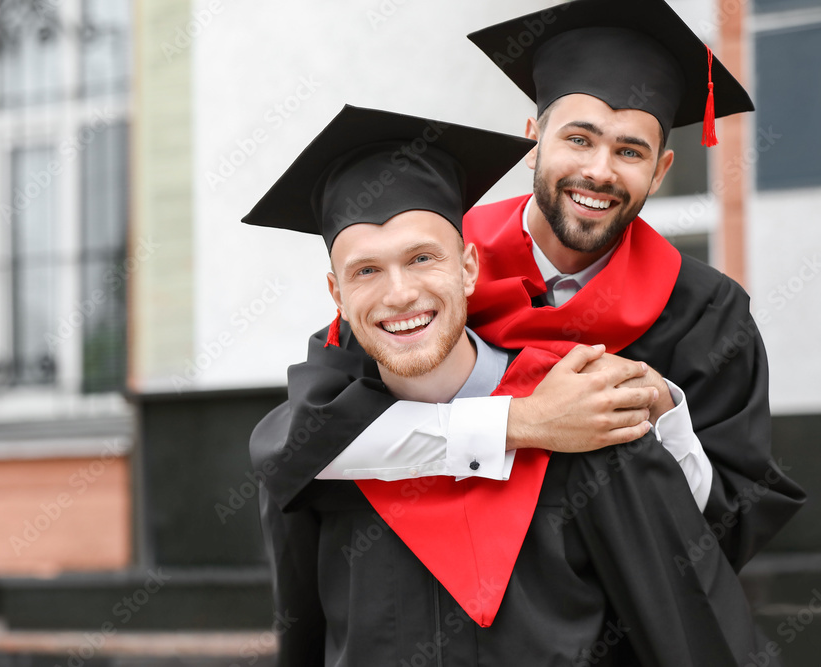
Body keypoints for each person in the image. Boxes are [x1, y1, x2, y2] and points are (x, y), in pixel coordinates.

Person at [257, 0, 804, 580]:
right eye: (578, 139)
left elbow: (727, 526)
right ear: (533, 140)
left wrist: (669, 419)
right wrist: (525, 421)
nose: (599, 171)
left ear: (661, 170)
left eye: (629, 151)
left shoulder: (705, 314)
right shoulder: (429, 272)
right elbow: (310, 443)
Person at [245, 104, 772, 666]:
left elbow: (684, 620)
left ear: (470, 268)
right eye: (366, 270)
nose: (399, 294)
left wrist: (664, 415)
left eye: (423, 258)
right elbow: (303, 632)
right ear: (337, 296)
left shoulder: (591, 430)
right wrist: (520, 424)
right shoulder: (321, 463)